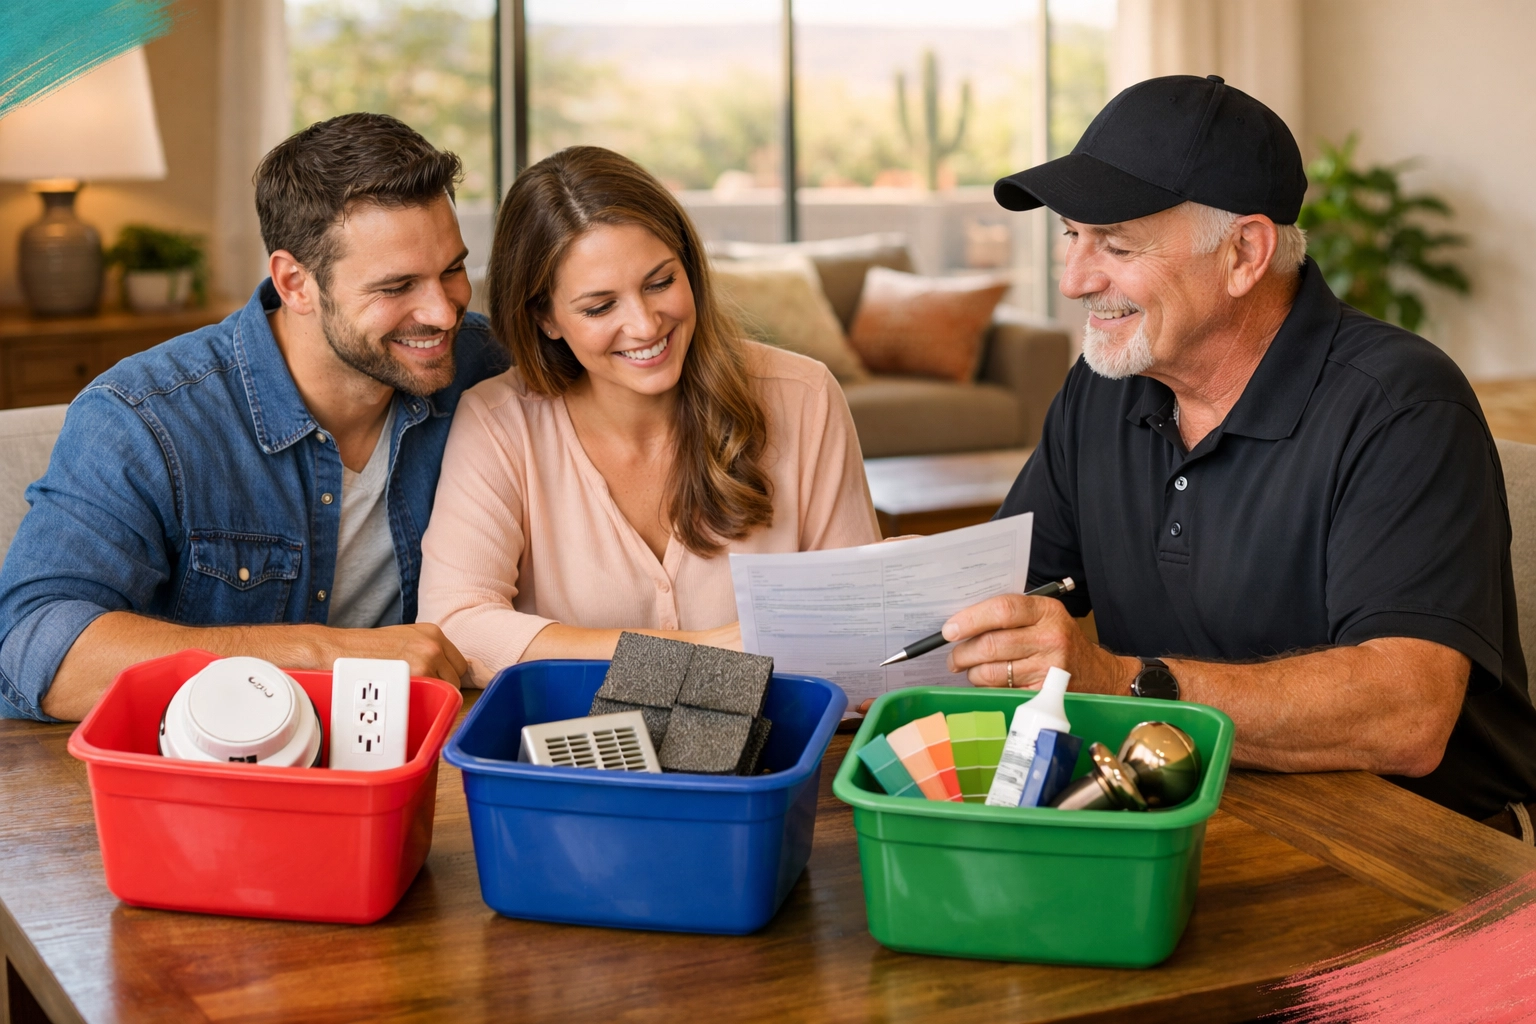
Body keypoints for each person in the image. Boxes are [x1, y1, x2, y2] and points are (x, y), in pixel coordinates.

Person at [939, 74, 1536, 822]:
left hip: (1413, 847)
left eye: (1116, 245)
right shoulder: (1106, 386)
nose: (1074, 279)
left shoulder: (1403, 408)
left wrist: (1117, 679)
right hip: (1186, 809)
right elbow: (997, 598)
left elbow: (1406, 715)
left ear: (1245, 252)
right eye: (1071, 234)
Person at [0, 113, 509, 721]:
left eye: (452, 269)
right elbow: (33, 649)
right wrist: (327, 656)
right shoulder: (144, 418)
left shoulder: (491, 369)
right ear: (295, 283)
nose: (444, 312)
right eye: (397, 286)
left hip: (430, 761)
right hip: (213, 784)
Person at [417, 146, 880, 683]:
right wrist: (700, 654)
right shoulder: (499, 422)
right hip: (579, 762)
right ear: (545, 317)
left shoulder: (803, 396)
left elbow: (860, 626)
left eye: (660, 282)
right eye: (600, 306)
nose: (644, 325)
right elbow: (457, 626)